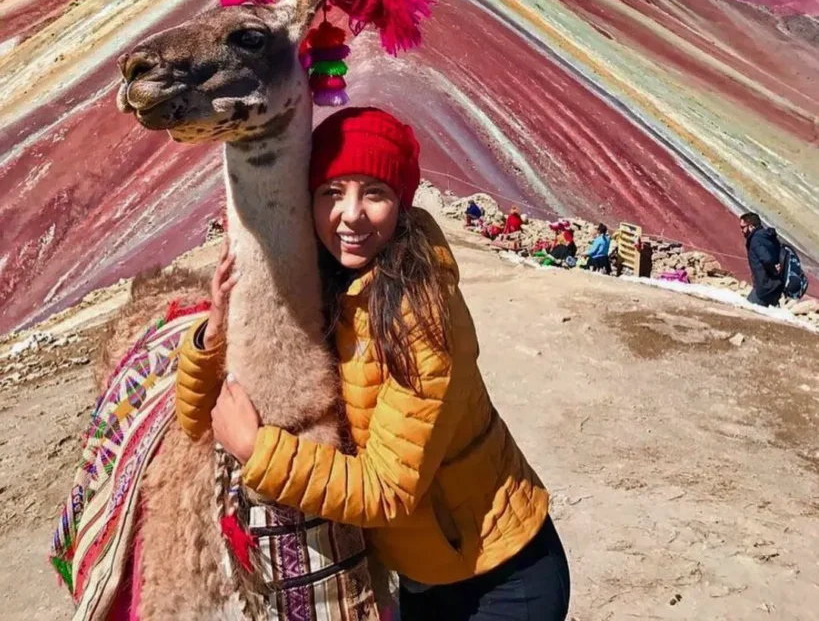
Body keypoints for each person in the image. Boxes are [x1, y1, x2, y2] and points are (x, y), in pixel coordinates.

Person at [176, 107, 570, 620]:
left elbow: (388, 489)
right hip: (421, 574)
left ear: (401, 203)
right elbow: (198, 423)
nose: (351, 215)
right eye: (332, 192)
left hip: (501, 577)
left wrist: (256, 450)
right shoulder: (328, 286)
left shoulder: (421, 316)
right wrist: (214, 335)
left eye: (375, 193)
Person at [739, 212, 784, 307]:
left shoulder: (755, 240)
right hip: (774, 286)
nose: (741, 230)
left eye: (743, 227)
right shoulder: (767, 237)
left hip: (764, 288)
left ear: (751, 227)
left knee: (748, 310)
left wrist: (774, 270)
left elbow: (766, 259)